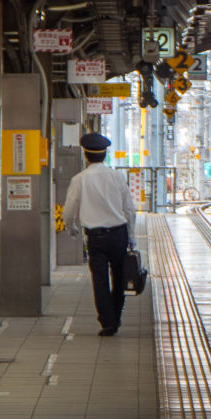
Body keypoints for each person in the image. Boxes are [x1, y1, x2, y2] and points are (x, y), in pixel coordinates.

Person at [60, 131, 135, 335]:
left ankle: (107, 321)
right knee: (119, 278)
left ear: (85, 155)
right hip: (119, 234)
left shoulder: (79, 179)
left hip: (96, 238)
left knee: (99, 279)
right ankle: (116, 316)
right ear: (105, 155)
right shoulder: (117, 176)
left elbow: (69, 210)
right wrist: (132, 236)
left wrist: (71, 228)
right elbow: (130, 209)